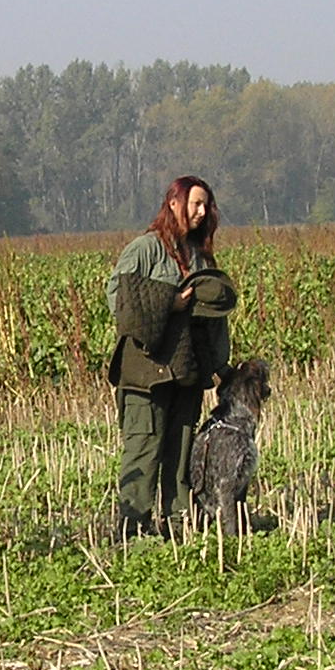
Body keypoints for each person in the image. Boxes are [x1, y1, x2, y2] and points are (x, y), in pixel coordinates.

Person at [106, 175, 235, 536]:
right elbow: (118, 299)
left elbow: (214, 319)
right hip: (145, 373)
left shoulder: (198, 255)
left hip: (185, 371)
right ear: (174, 203)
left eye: (206, 204)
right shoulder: (145, 249)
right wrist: (171, 302)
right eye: (196, 203)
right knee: (144, 449)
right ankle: (133, 530)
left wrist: (221, 366)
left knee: (180, 452)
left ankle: (180, 525)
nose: (203, 211)